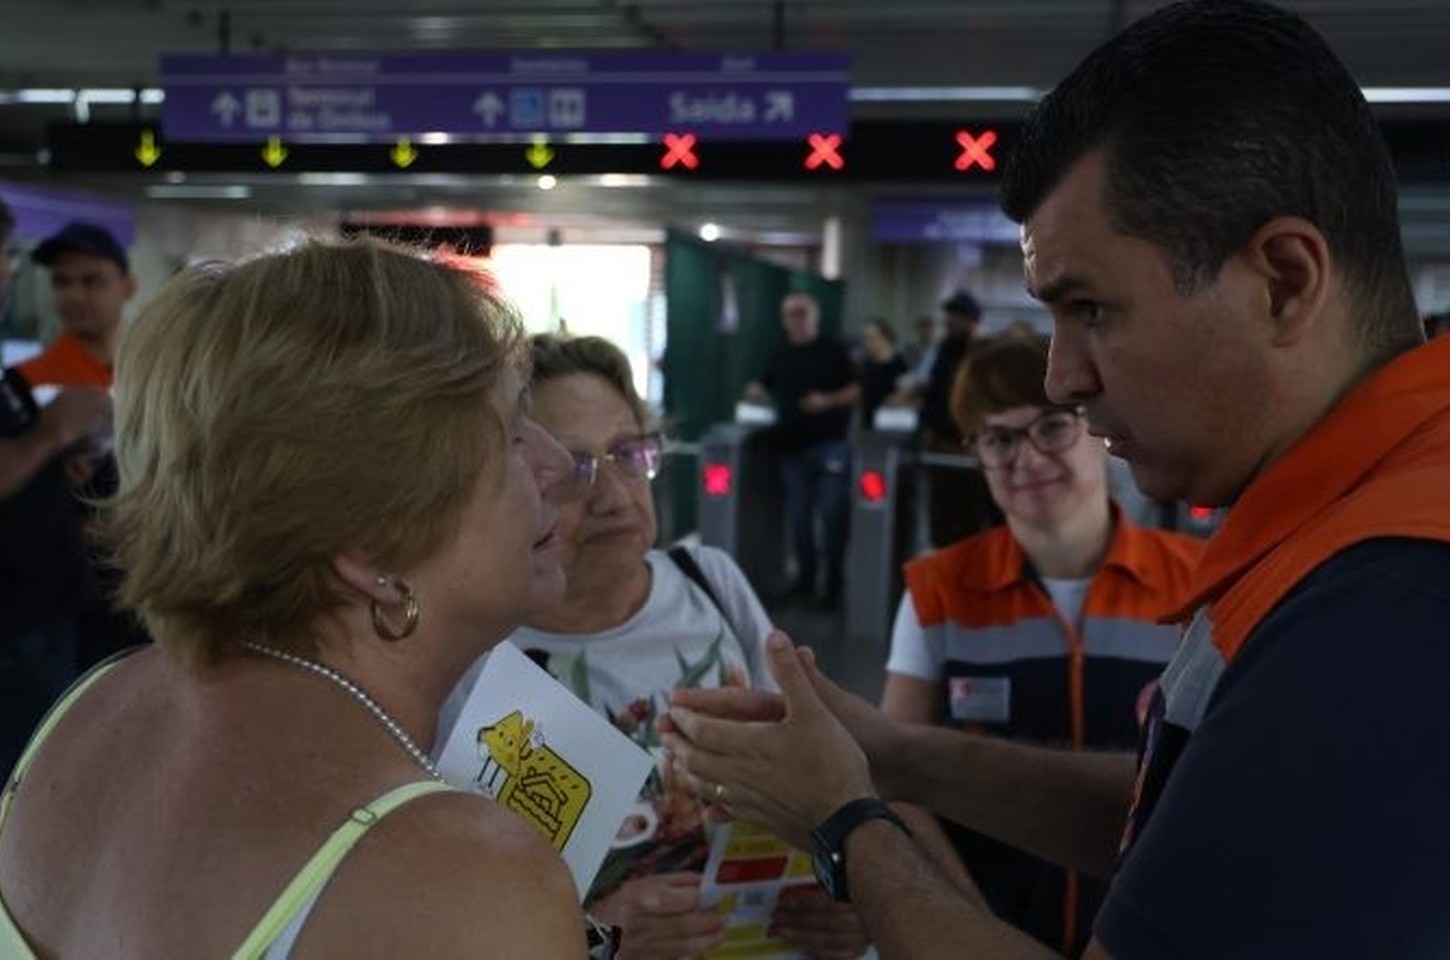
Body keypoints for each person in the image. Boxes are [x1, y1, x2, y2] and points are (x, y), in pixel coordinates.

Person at [663, 2, 1450, 957]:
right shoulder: (1352, 532)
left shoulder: (1388, 599)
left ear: (1283, 280)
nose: (1062, 379)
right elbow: (1196, 826)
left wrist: (843, 820)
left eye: (1092, 311)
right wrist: (892, 755)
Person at [0, 238, 593, 957]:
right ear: (371, 552)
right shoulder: (469, 875)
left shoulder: (87, 710)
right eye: (511, 434)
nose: (559, 464)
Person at [442, 332, 869, 959]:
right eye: (575, 468)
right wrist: (592, 939)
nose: (615, 497)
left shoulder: (710, 581)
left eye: (627, 453)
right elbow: (455, 906)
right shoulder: (470, 660)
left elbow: (807, 776)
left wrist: (849, 893)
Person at [880, 335, 1201, 954]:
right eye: (997, 439)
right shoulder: (937, 591)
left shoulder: (1199, 585)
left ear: (1100, 432)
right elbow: (896, 775)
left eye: (1051, 428)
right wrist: (968, 924)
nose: (1025, 459)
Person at [0, 198, 113, 781]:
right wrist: (54, 431)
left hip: (55, 617)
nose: (7, 271)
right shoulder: (35, 376)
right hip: (17, 634)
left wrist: (53, 470)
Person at [20, 219, 147, 671]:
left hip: (152, 578)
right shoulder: (29, 384)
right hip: (70, 595)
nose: (74, 295)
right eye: (62, 282)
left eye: (91, 280)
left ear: (127, 286)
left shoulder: (158, 374)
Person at [744, 292, 859, 607]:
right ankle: (805, 582)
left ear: (814, 316)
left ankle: (833, 586)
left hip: (830, 447)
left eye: (801, 313)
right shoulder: (780, 353)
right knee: (799, 520)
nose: (796, 320)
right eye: (790, 314)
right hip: (791, 450)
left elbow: (855, 389)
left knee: (833, 518)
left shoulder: (834, 350)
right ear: (783, 320)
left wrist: (828, 400)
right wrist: (756, 390)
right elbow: (765, 384)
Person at [919, 290, 1000, 547]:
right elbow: (935, 391)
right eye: (948, 315)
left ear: (970, 319)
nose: (949, 321)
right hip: (942, 444)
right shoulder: (945, 348)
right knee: (943, 516)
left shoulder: (984, 350)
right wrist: (928, 427)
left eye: (955, 316)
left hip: (970, 449)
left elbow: (988, 399)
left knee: (971, 516)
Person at [857, 319, 909, 430]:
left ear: (885, 338)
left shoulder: (900, 363)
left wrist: (896, 398)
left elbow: (906, 392)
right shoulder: (866, 363)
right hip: (867, 422)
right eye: (864, 338)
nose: (866, 342)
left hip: (891, 423)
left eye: (871, 338)